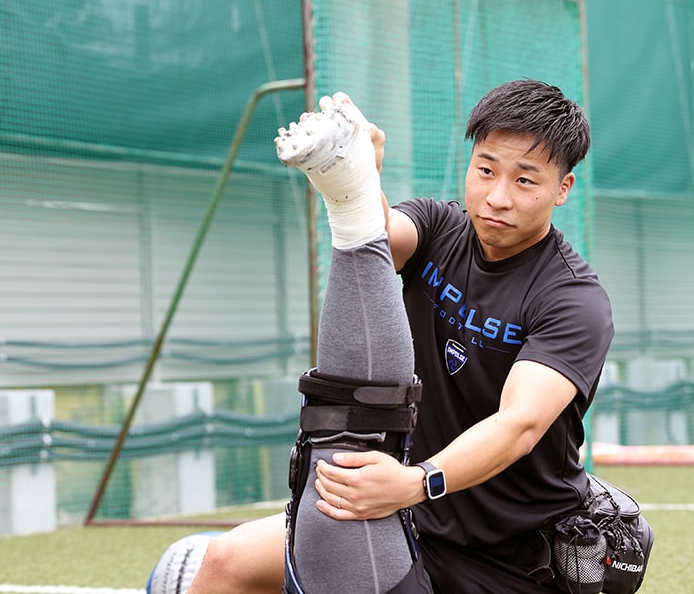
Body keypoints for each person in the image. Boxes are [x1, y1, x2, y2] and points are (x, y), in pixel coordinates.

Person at [188, 79, 614, 594]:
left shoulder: (573, 299)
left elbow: (518, 425)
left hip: (508, 560)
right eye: (485, 170)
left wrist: (417, 482)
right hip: (408, 518)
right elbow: (376, 238)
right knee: (225, 560)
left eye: (525, 181)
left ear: (562, 189)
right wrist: (360, 177)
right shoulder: (439, 226)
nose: (497, 197)